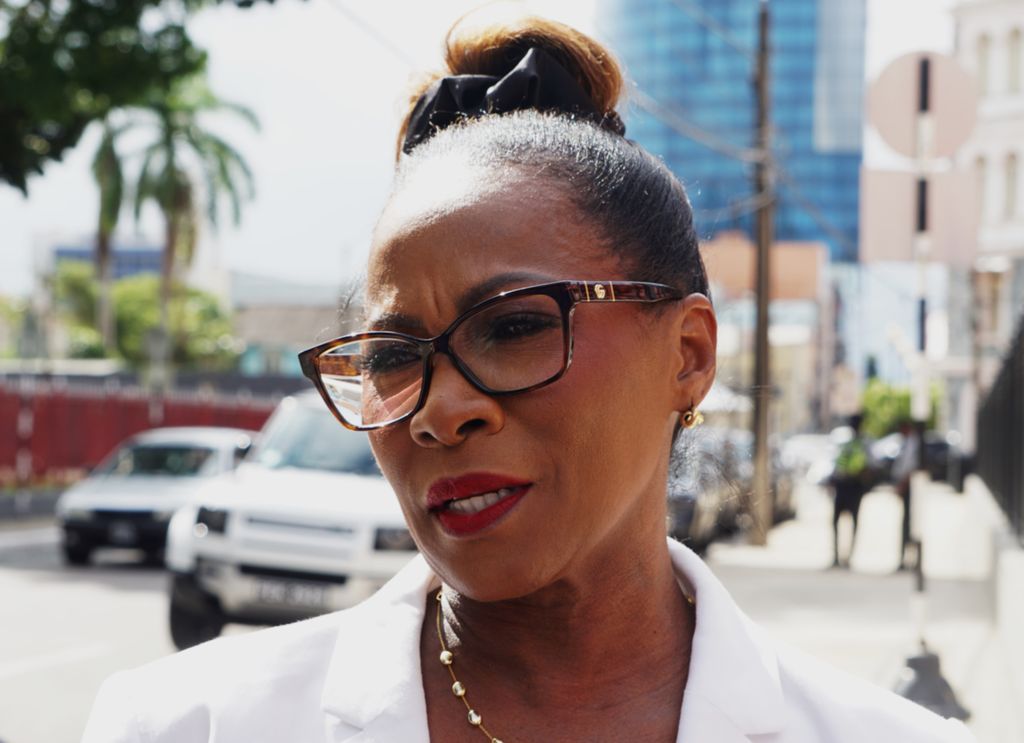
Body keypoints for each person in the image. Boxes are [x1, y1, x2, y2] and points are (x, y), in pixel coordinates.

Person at [83, 14, 973, 743]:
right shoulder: (182, 725)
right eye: (395, 355)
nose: (441, 412)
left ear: (689, 355)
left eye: (513, 327)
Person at [829, 413, 872, 568]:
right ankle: (840, 556)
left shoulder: (857, 443)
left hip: (851, 485)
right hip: (849, 485)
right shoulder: (857, 443)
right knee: (841, 521)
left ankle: (843, 556)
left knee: (842, 521)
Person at [892, 419, 920, 570]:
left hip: (910, 489)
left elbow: (911, 467)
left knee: (910, 525)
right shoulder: (907, 443)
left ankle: (910, 559)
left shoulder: (913, 444)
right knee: (906, 524)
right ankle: (905, 558)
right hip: (905, 487)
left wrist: (903, 484)